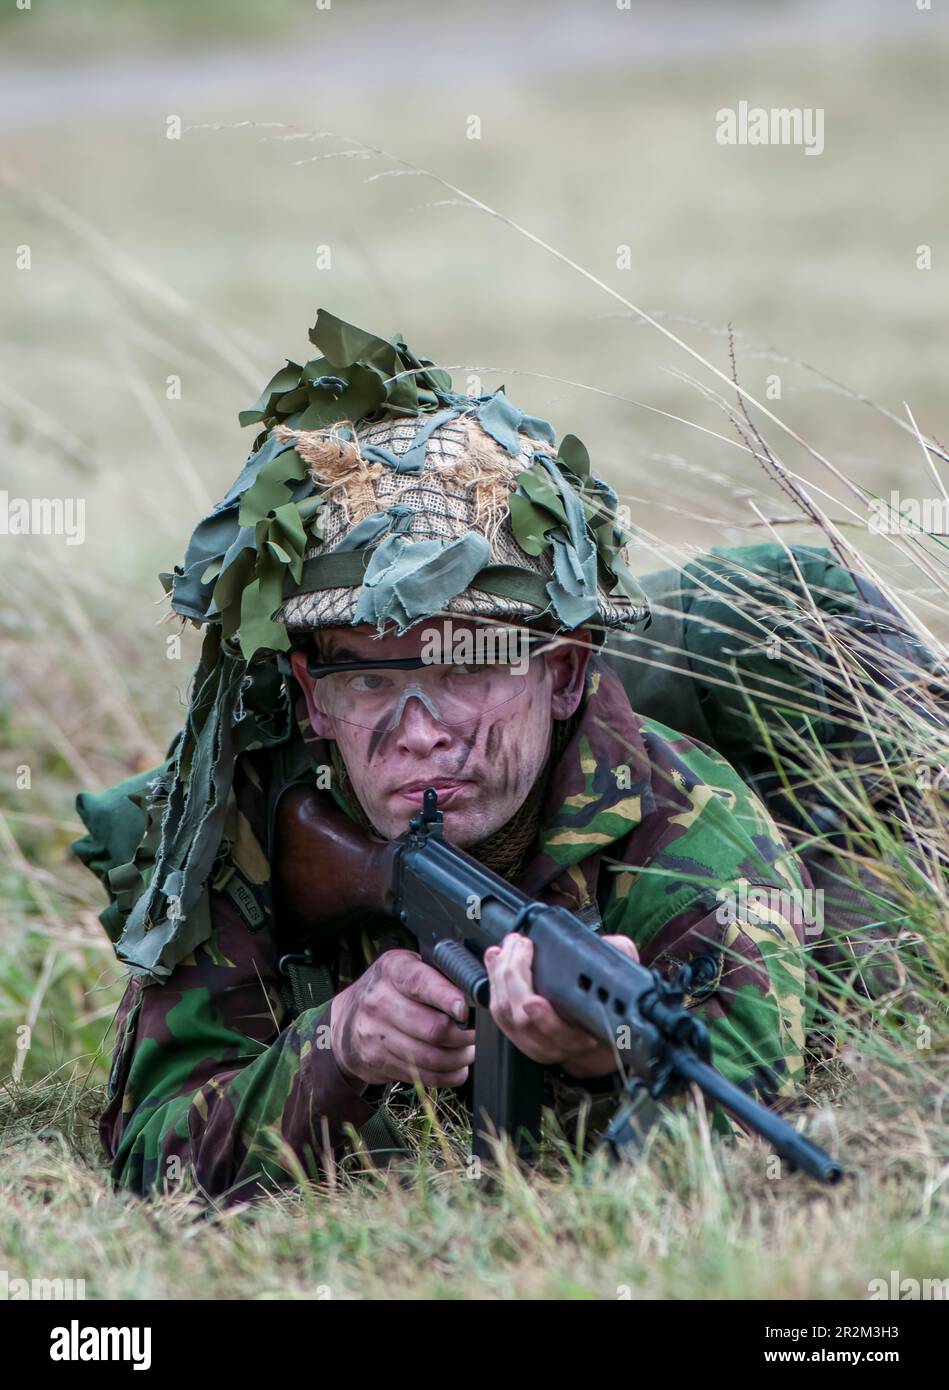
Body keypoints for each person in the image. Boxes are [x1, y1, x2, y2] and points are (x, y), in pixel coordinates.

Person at [84, 312, 810, 1204]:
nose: (421, 730)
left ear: (564, 674)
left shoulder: (690, 827)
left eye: (466, 670)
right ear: (311, 696)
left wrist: (591, 1064)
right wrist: (335, 1050)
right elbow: (152, 1162)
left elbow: (734, 1153)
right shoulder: (245, 821)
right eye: (372, 683)